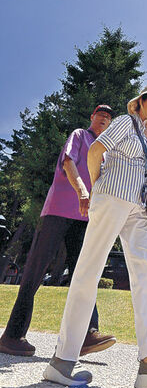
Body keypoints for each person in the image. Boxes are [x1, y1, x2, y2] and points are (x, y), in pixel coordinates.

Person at [43, 85, 147, 388]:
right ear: (140, 102)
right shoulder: (125, 121)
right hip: (111, 197)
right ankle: (62, 361)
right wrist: (97, 188)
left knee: (146, 272)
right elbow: (97, 151)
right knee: (88, 272)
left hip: (136, 209)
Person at [0, 105, 116, 358]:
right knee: (35, 270)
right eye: (100, 114)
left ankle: (86, 334)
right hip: (59, 210)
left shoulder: (105, 152)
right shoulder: (79, 135)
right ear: (91, 117)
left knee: (84, 273)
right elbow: (68, 162)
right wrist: (82, 191)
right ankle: (11, 336)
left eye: (109, 117)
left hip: (85, 218)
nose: (105, 118)